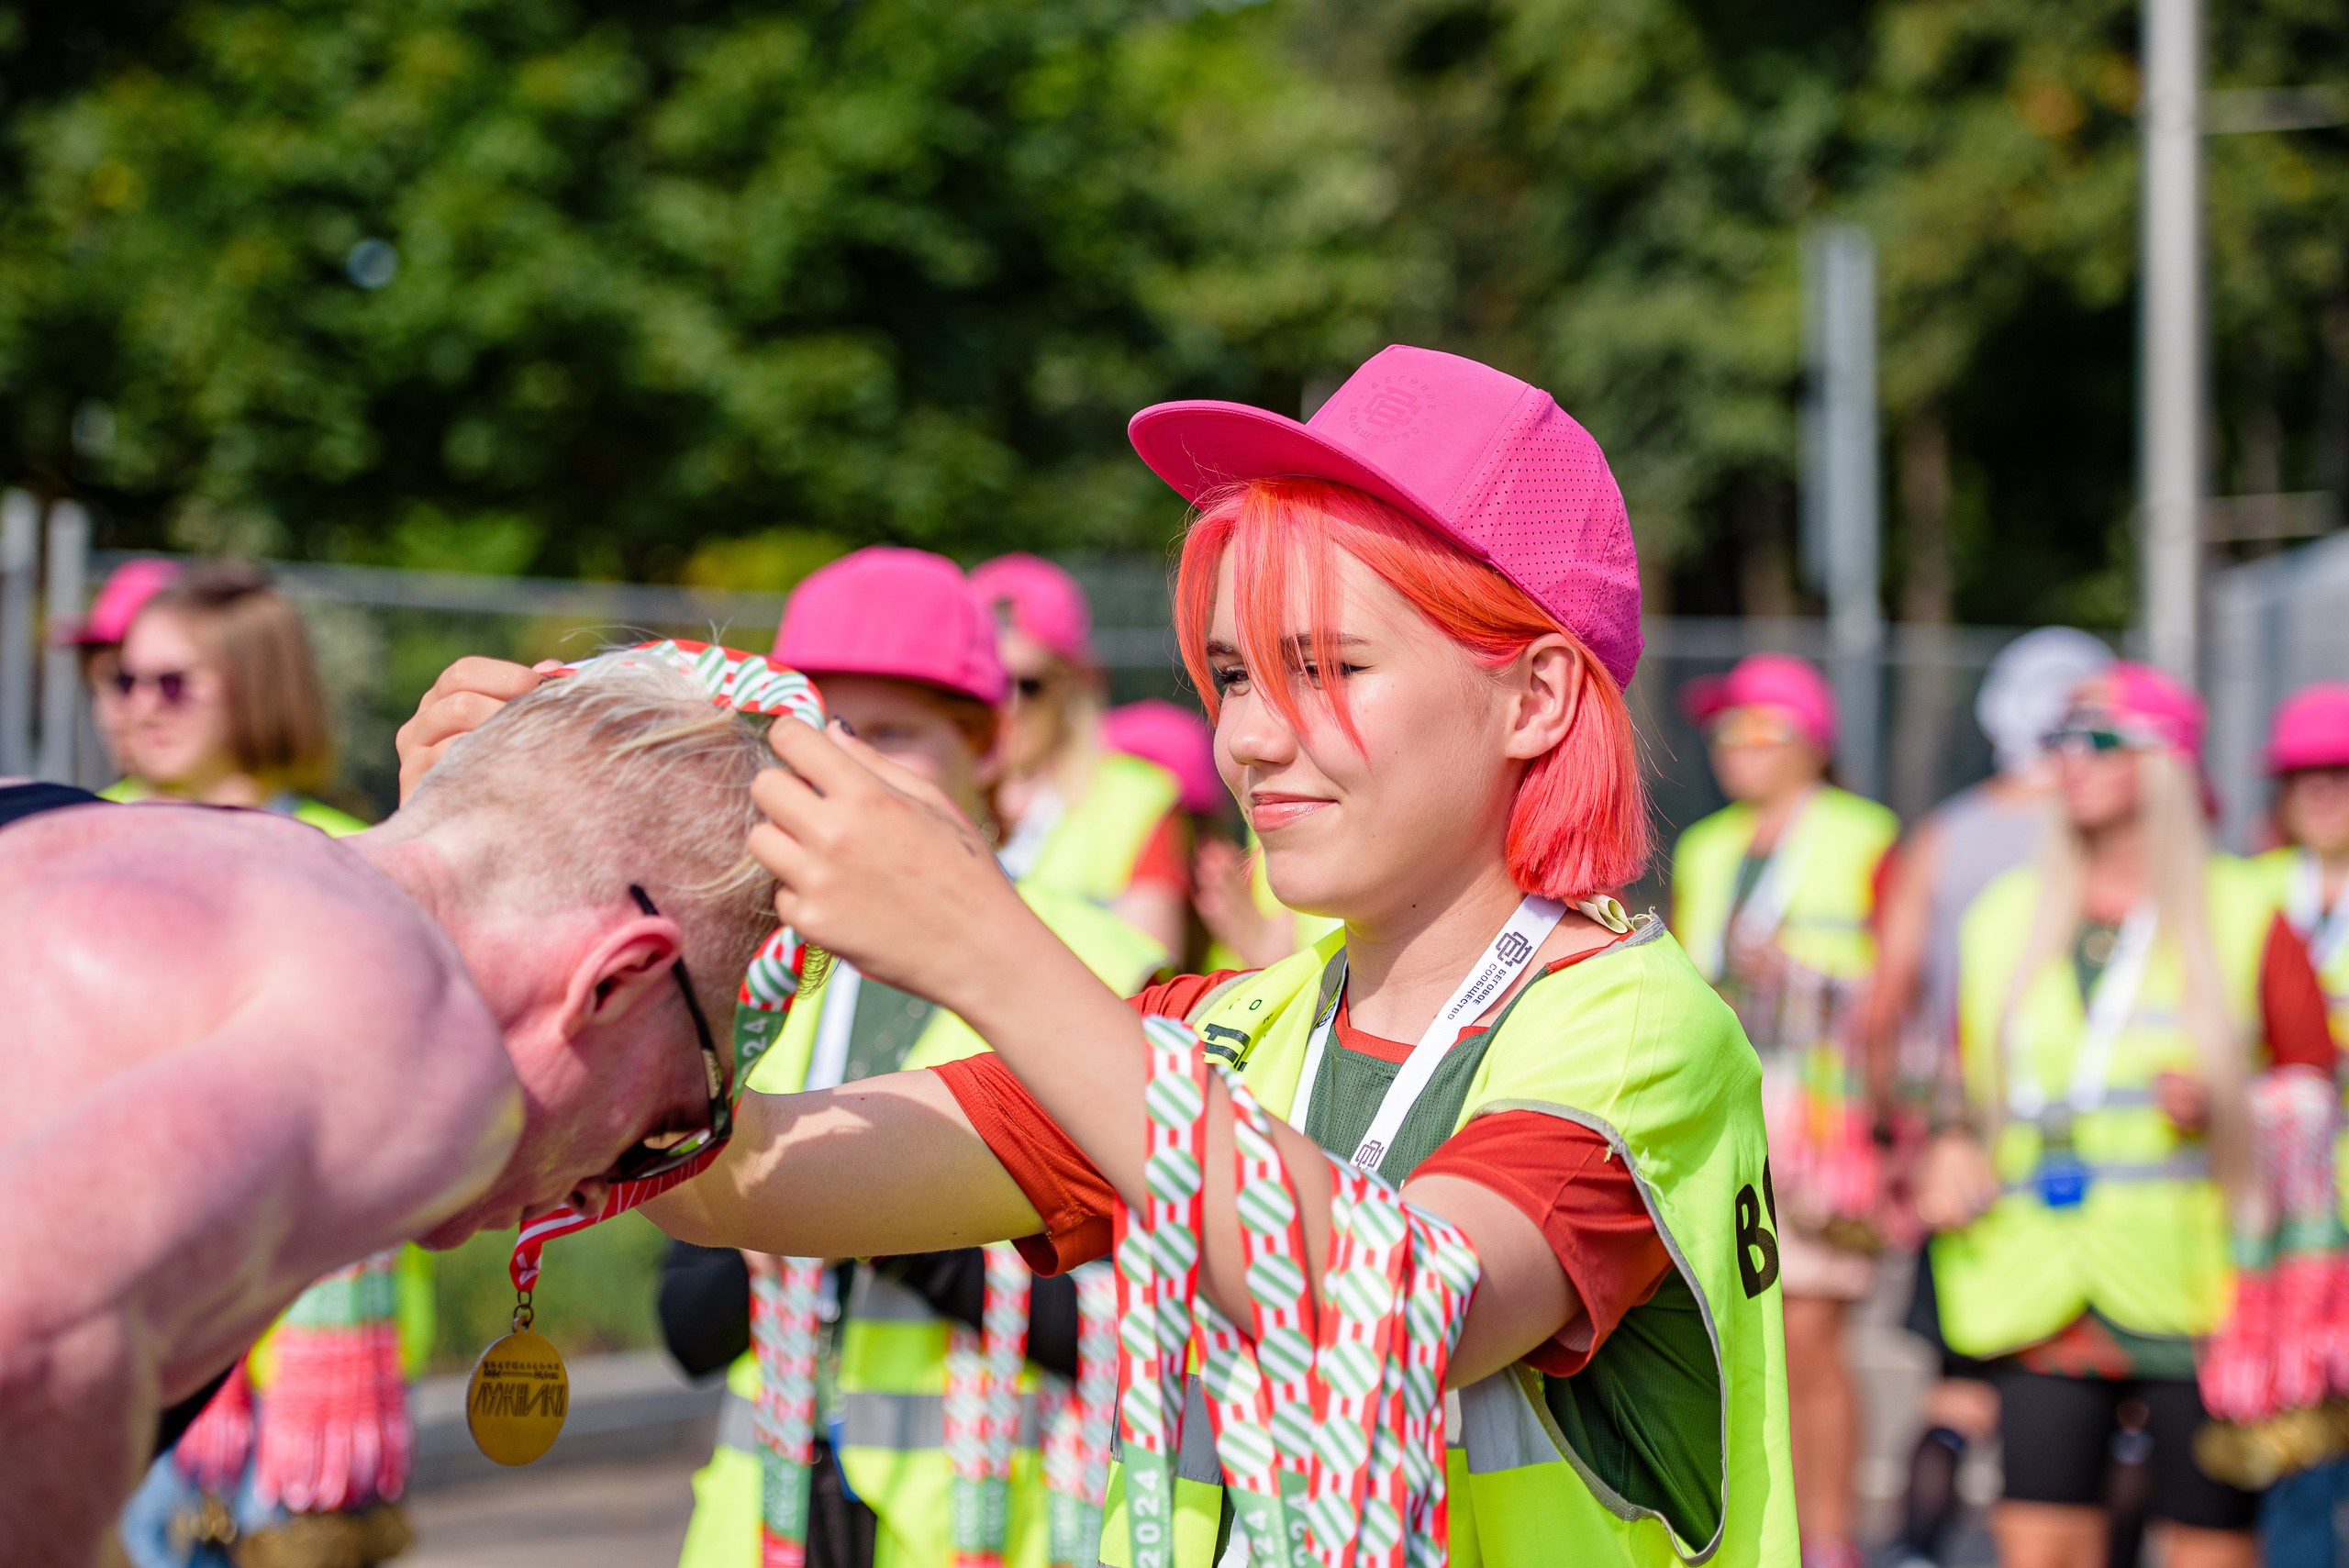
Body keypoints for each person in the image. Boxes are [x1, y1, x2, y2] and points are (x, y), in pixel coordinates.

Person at [413, 344, 1800, 1565]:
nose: (1249, 737)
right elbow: (740, 1180)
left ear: (1536, 697)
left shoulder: (1629, 1024)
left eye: (1327, 668)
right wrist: (507, 892)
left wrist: (983, 941)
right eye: (1238, 676)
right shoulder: (1229, 1034)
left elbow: (1396, 1313)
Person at [0, 649, 810, 1565]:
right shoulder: (421, 1035)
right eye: (668, 1122)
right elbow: (33, 1348)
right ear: (618, 978)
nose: (596, 1192)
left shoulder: (93, 827)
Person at [660, 548, 1165, 1568]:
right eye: (816, 732)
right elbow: (686, 1322)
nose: (845, 764)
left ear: (990, 741)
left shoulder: (1106, 967)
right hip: (769, 1528)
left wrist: (885, 1222)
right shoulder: (744, 973)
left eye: (891, 733)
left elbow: (1133, 1329)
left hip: (994, 1529)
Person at [1917, 663, 2334, 1568]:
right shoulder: (2002, 917)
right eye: (2062, 738)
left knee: (2208, 1540)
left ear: (2167, 762)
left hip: (2194, 1284)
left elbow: (2315, 1085)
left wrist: (2236, 1105)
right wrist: (1947, 1142)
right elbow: (1961, 1077)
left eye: (2100, 739)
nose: (2071, 759)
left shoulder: (2243, 911)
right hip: (2033, 1270)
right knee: (2037, 1537)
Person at [1865, 627, 2112, 1566]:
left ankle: (1916, 1546)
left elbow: (1885, 1002)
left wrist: (1897, 1135)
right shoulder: (2104, 835)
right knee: (2099, 1400)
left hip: (1964, 1138)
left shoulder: (1948, 833)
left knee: (1961, 1384)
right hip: (2100, 1156)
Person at [1668, 651, 1897, 1568]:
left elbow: (1902, 991)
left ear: (1811, 742)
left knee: (1809, 1335)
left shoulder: (1865, 835)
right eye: (1723, 729)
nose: (1734, 747)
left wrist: (1800, 980)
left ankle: (1832, 1535)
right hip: (1733, 1108)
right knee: (1734, 1337)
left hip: (1825, 1120)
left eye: (1755, 729)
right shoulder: (1706, 845)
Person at [2246, 683, 2349, 1568]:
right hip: (2279, 1218)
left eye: (2341, 773)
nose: (2323, 790)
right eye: (2302, 774)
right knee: (2294, 1447)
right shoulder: (2243, 894)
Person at [972, 553, 1190, 956]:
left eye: (1031, 684)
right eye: (990, 682)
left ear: (1071, 683)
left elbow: (1150, 976)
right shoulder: (934, 787)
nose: (1009, 704)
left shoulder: (1134, 799)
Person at [103, 563, 365, 834]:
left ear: (258, 686)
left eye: (173, 684)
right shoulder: (83, 828)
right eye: (126, 682)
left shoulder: (348, 854)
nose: (141, 709)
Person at [66, 557, 179, 776]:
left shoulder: (252, 803)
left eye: (124, 681)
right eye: (97, 686)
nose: (109, 718)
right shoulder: (103, 806)